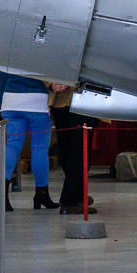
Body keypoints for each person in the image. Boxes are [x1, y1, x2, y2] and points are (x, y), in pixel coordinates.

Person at [0, 72, 59, 211]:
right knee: (40, 149)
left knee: (12, 146)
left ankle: (2, 197)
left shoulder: (10, 50)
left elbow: (3, 78)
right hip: (39, 101)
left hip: (11, 101)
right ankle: (42, 195)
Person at [49, 83, 97, 215]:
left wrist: (52, 83)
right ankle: (69, 200)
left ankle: (78, 196)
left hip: (60, 99)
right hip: (84, 98)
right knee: (79, 152)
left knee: (68, 151)